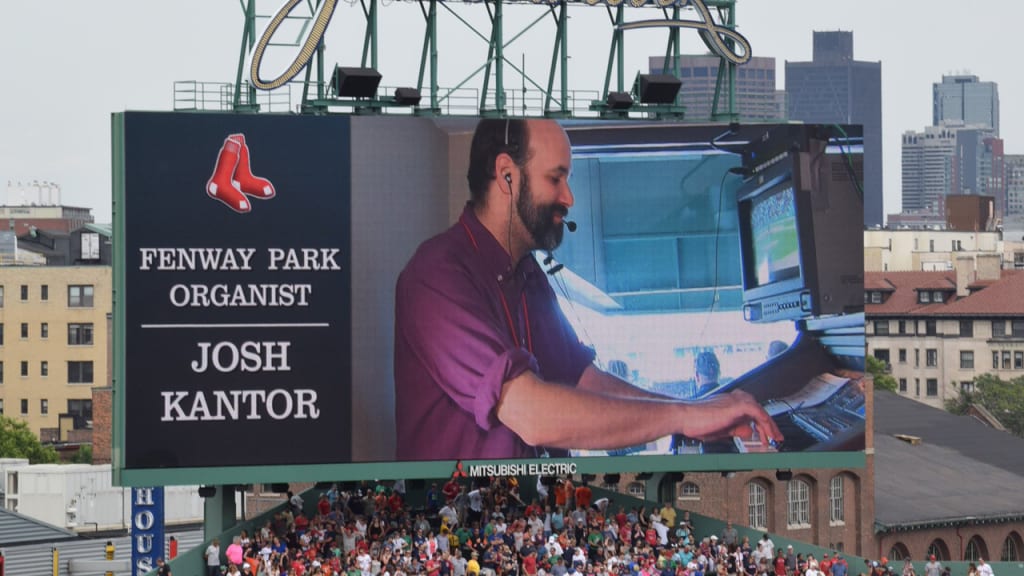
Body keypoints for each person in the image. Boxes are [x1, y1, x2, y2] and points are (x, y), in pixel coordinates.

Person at [393, 118, 782, 460]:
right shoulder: (437, 274)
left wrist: (695, 411)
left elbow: (583, 379)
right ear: (506, 174)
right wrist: (685, 416)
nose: (569, 197)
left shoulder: (529, 276)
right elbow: (531, 412)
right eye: (555, 178)